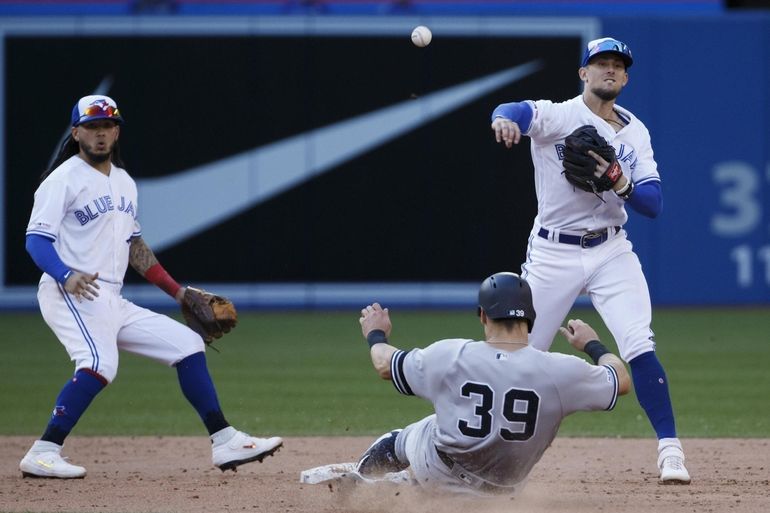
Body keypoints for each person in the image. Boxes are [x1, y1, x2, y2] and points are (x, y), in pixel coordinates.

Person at [20, 95, 282, 479]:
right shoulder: (62, 180)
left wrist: (177, 292)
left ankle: (225, 441)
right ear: (76, 133)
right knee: (98, 363)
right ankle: (43, 451)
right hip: (72, 291)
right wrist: (66, 275)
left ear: (117, 131)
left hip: (111, 296)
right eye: (92, 126)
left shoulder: (124, 182)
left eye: (108, 125)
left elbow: (135, 247)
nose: (101, 133)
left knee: (188, 345)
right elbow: (35, 240)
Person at [489, 37, 690, 484]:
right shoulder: (561, 115)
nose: (610, 70)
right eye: (601, 63)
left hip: (610, 249)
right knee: (517, 356)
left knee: (638, 342)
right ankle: (486, 452)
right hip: (552, 252)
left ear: (627, 77)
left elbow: (653, 204)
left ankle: (670, 451)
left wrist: (621, 183)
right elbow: (517, 110)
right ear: (584, 73)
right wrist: (503, 118)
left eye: (618, 65)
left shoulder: (635, 133)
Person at [353, 271, 630, 496]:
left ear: (483, 315)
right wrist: (592, 345)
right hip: (504, 492)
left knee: (406, 436)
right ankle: (415, 488)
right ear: (531, 318)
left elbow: (385, 364)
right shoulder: (561, 370)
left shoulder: (451, 355)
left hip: (438, 471)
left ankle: (358, 481)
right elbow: (621, 379)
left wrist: (376, 334)